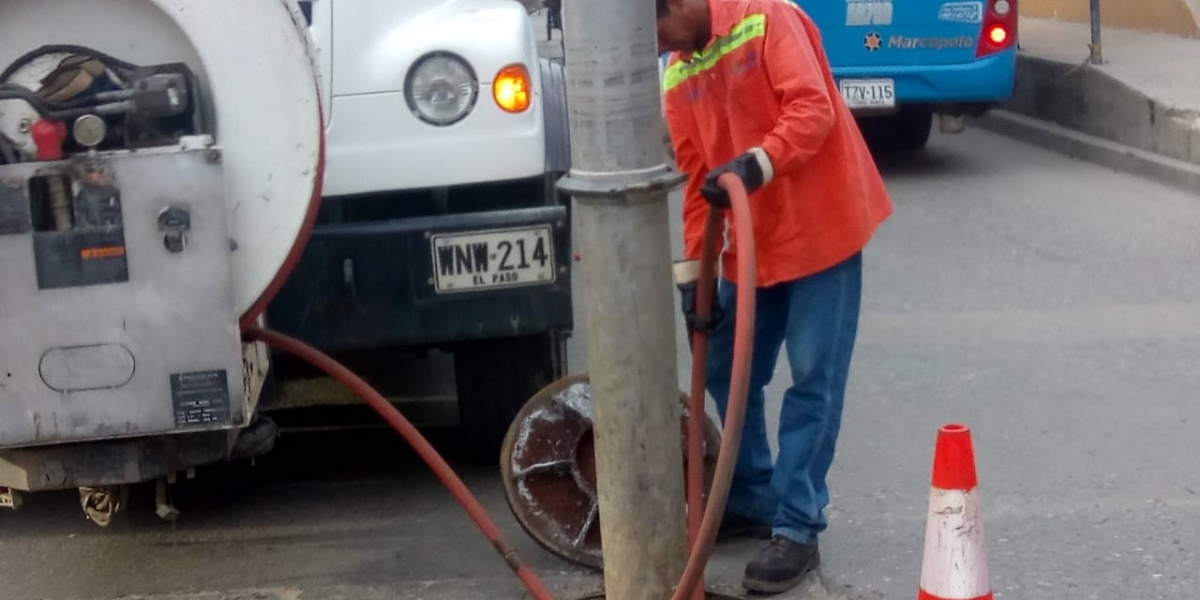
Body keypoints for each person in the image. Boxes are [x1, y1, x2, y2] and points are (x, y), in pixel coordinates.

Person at [657, 0, 893, 594]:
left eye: (655, 31)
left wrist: (755, 163)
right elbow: (695, 184)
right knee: (725, 370)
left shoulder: (767, 17)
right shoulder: (678, 68)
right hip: (750, 245)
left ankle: (796, 525)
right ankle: (754, 492)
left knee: (813, 378)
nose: (659, 49)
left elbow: (812, 108)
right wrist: (696, 279)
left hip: (821, 232)